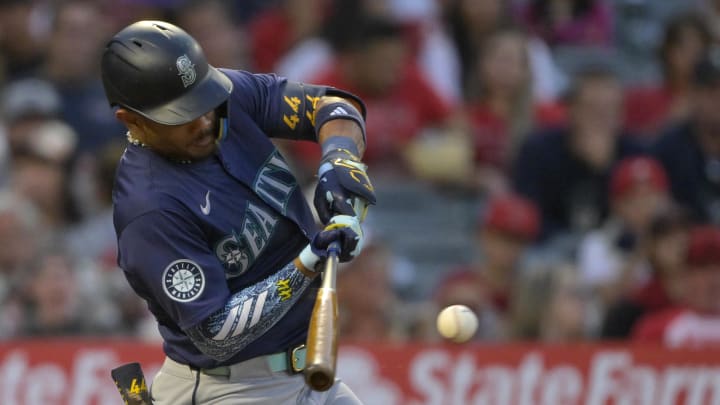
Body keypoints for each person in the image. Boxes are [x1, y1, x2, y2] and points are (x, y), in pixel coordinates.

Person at [101, 21, 375, 404]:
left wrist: (339, 159)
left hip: (309, 374)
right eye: (183, 115)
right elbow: (217, 335)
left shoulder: (223, 96)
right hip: (232, 388)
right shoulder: (149, 208)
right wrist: (308, 261)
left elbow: (332, 107)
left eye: (205, 101)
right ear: (131, 120)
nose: (205, 121)